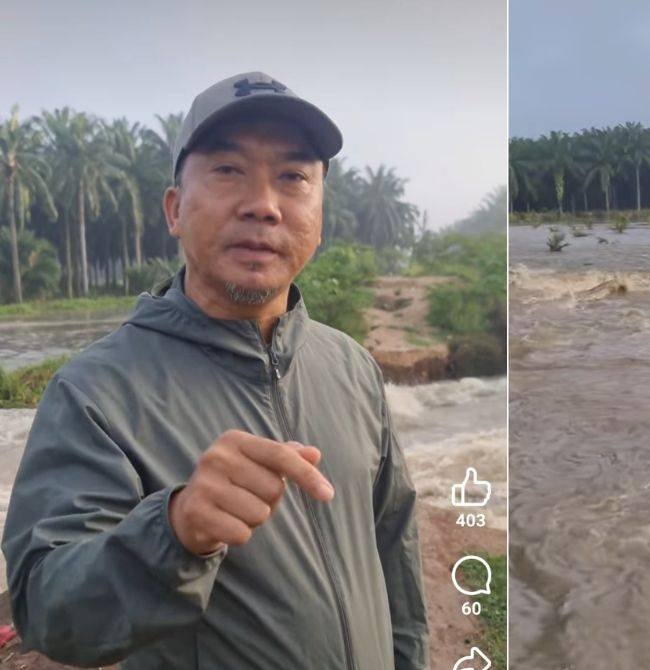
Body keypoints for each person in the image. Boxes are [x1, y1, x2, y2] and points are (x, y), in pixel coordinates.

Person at [1, 71, 427, 669]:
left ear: (320, 216)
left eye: (293, 177)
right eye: (228, 171)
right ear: (175, 209)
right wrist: (174, 532)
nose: (264, 205)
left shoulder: (350, 365)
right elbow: (46, 607)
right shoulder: (96, 393)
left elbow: (394, 549)